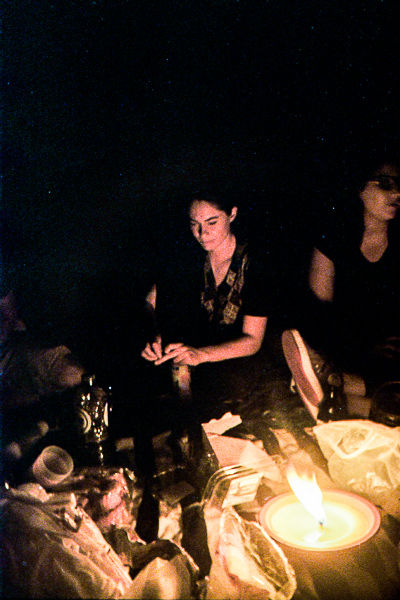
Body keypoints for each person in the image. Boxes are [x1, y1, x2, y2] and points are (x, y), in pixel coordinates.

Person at [135, 190, 273, 469]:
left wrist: (200, 355)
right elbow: (150, 302)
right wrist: (153, 335)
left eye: (212, 222)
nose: (202, 233)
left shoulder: (255, 262)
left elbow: (253, 340)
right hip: (194, 356)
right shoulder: (190, 255)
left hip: (238, 361)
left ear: (232, 214)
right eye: (194, 224)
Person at [282, 150, 400, 421]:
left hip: (388, 353)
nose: (396, 193)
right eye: (385, 184)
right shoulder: (334, 239)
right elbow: (319, 312)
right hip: (347, 344)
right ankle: (334, 386)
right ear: (360, 188)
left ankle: (337, 392)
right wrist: (361, 345)